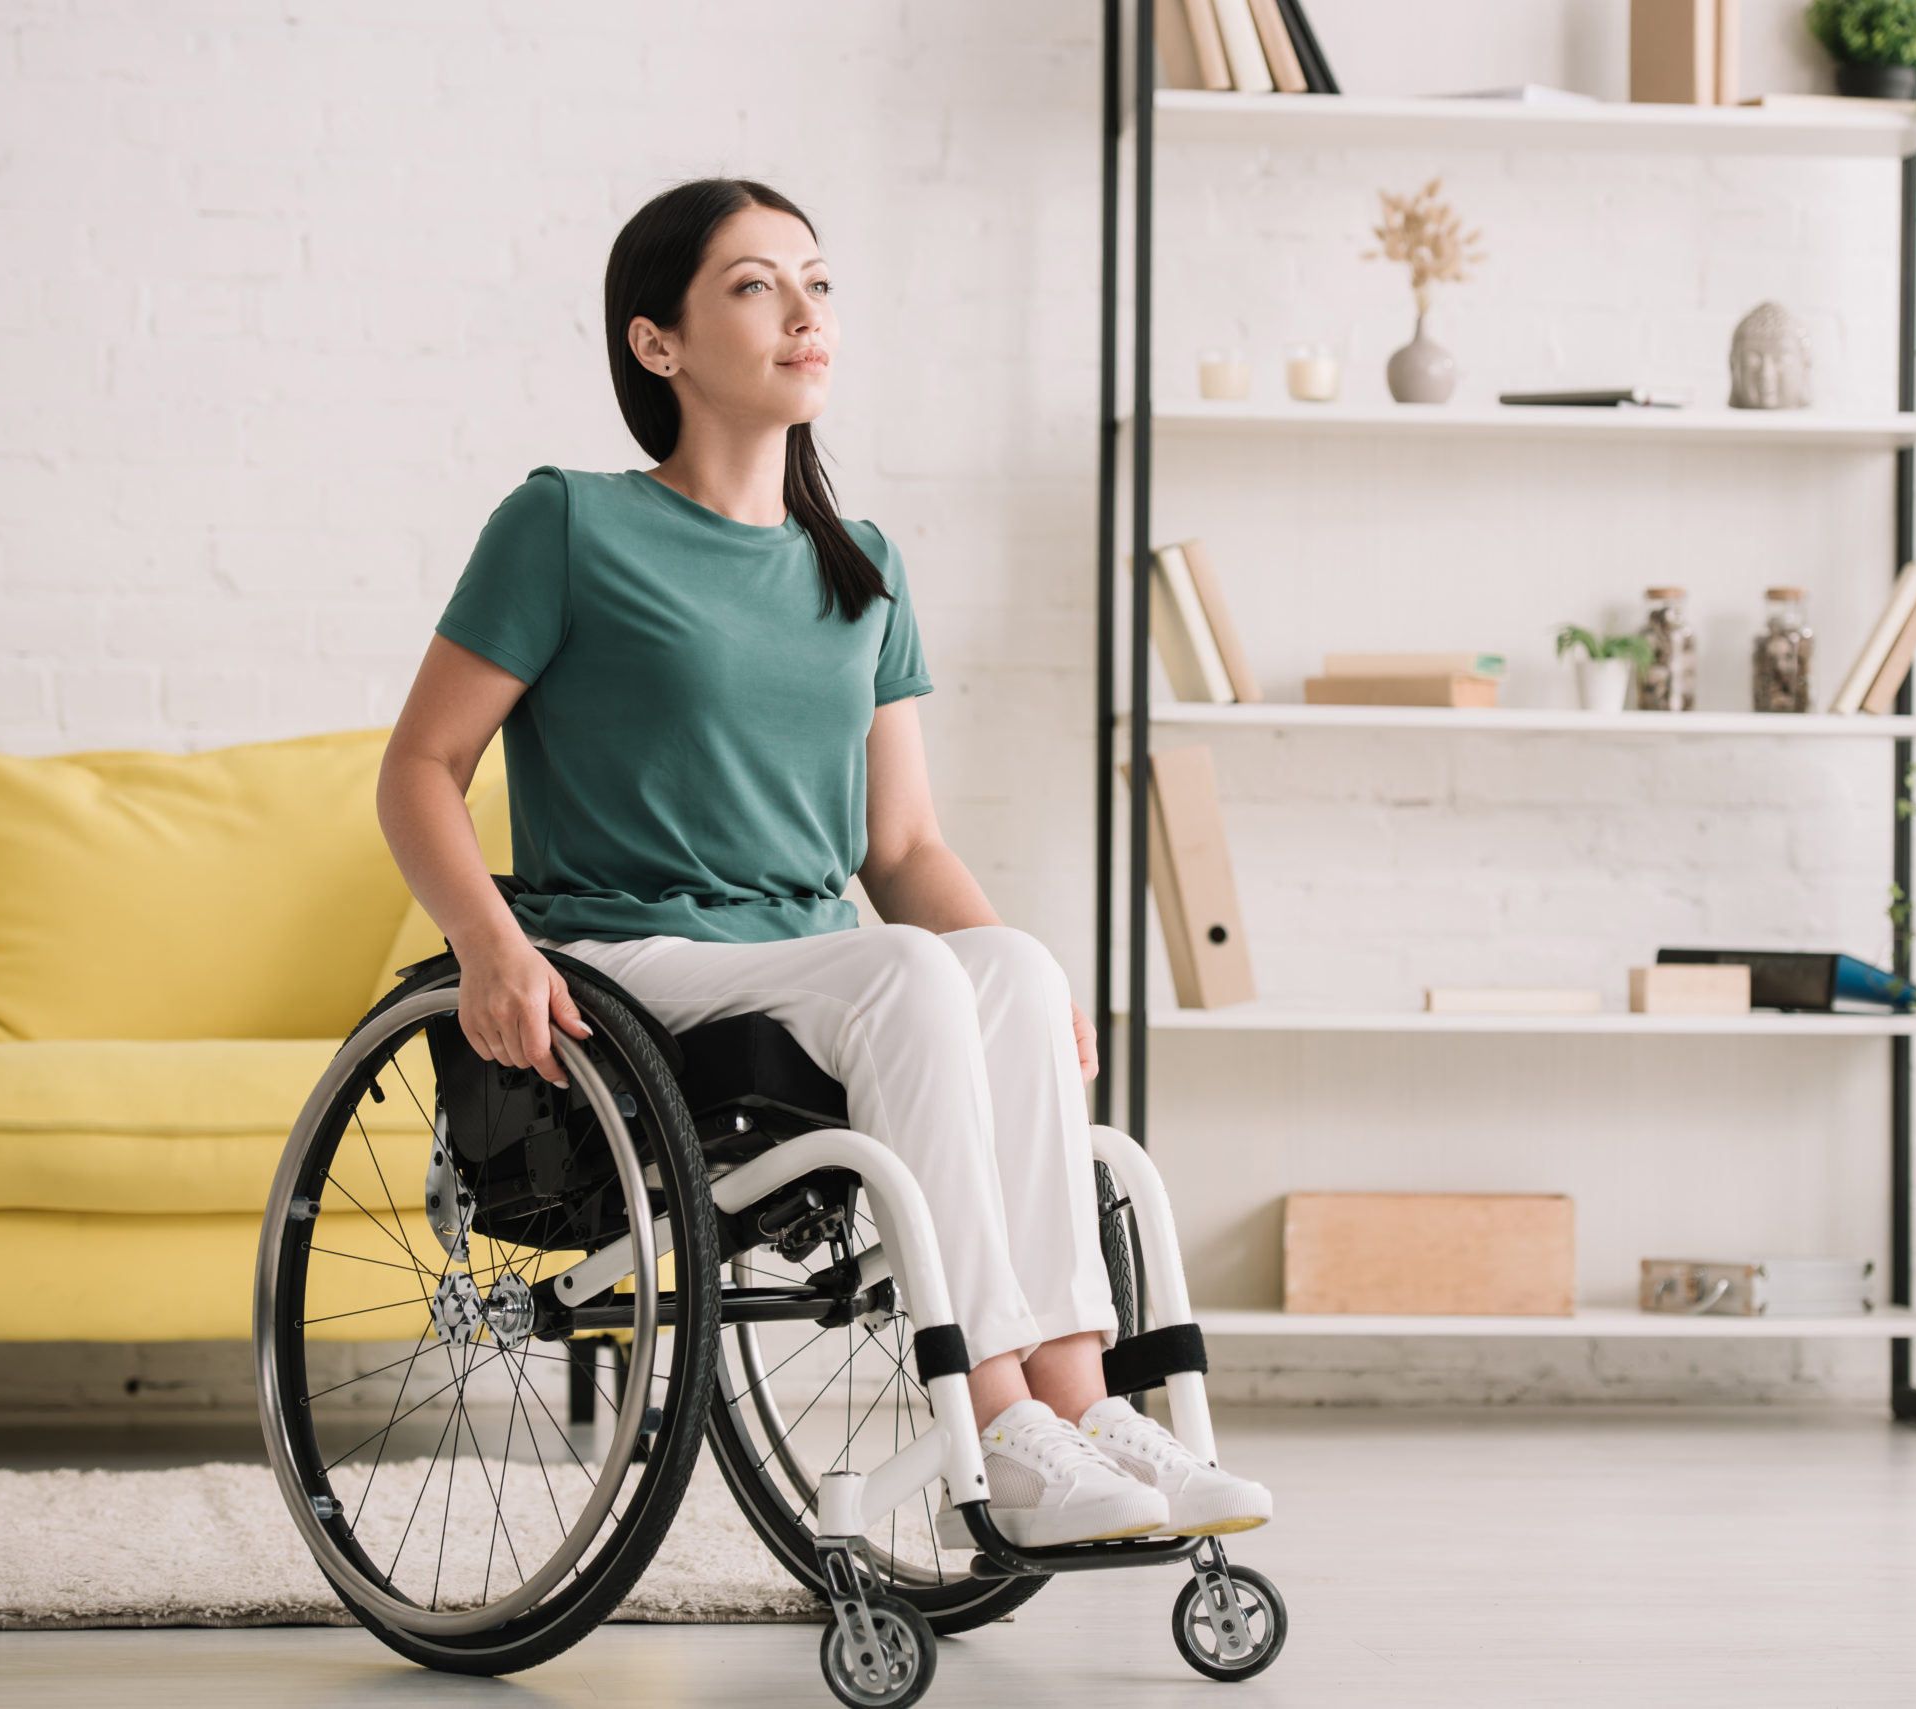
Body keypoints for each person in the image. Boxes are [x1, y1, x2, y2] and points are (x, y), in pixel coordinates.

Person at [376, 177, 1270, 1551]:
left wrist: (1019, 985)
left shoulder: (864, 566)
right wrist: (492, 944)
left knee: (1006, 964)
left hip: (816, 959)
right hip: (631, 957)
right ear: (655, 344)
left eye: (818, 280)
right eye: (753, 284)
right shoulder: (567, 524)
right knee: (912, 972)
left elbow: (897, 845)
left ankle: (1081, 1409)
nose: (805, 311)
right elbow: (420, 770)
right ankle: (993, 1416)